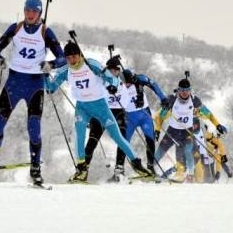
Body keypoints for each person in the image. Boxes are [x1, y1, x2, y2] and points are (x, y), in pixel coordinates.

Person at [0, 0, 66, 186]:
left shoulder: (46, 32)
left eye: (34, 11)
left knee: (34, 129)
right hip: (14, 83)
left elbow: (63, 58)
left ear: (40, 12)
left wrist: (50, 64)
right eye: (27, 10)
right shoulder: (15, 28)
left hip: (35, 85)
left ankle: (35, 169)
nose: (30, 14)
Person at [44, 41, 152, 182]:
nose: (72, 61)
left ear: (80, 55)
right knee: (79, 135)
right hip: (82, 107)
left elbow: (111, 78)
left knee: (117, 137)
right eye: (68, 58)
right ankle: (81, 169)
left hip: (100, 106)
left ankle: (138, 165)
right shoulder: (66, 70)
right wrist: (45, 74)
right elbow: (51, 88)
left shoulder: (91, 64)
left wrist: (111, 85)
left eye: (74, 57)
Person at [154, 78, 227, 182]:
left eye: (187, 90)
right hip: (172, 132)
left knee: (188, 151)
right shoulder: (171, 100)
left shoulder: (195, 101)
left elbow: (208, 114)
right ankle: (150, 169)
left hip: (186, 132)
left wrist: (218, 125)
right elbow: (159, 117)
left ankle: (189, 174)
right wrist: (157, 130)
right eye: (182, 90)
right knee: (159, 152)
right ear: (178, 90)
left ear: (190, 90)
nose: (184, 93)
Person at [84, 56, 129, 182]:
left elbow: (125, 100)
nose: (114, 72)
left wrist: (122, 109)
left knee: (122, 138)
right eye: (111, 70)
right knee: (93, 139)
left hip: (117, 112)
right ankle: (83, 169)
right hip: (101, 111)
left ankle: (119, 170)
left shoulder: (120, 83)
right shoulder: (99, 80)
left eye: (116, 70)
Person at [120, 68, 168, 178]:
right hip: (130, 117)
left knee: (150, 140)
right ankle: (120, 169)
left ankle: (150, 167)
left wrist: (163, 98)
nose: (126, 85)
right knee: (123, 142)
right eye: (124, 83)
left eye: (128, 83)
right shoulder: (118, 83)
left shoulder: (140, 79)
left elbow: (154, 85)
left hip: (144, 115)